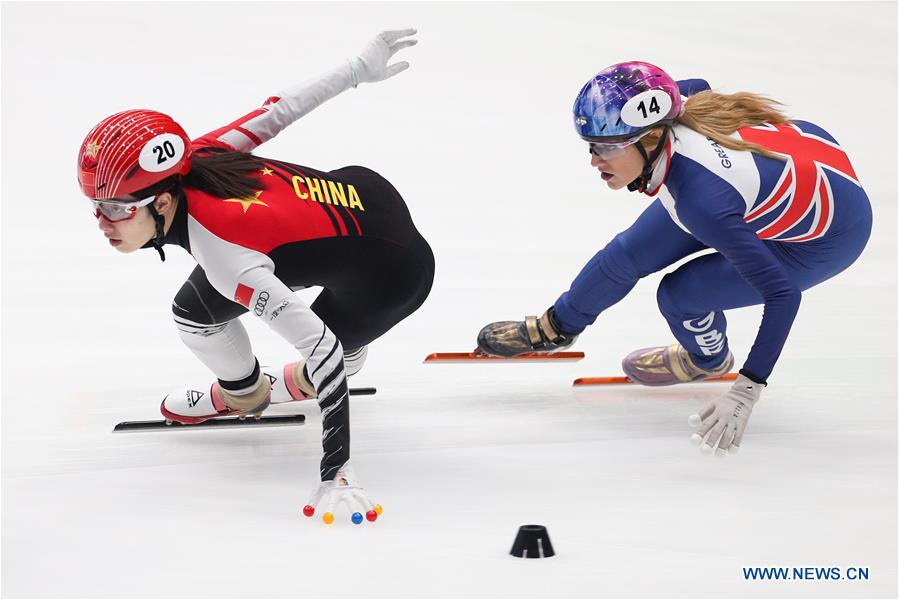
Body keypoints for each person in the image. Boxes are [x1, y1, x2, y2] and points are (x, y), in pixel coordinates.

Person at [77, 29, 434, 523]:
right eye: (95, 207)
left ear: (161, 202)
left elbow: (321, 345)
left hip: (393, 274)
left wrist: (337, 470)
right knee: (193, 314)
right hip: (361, 194)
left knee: (328, 366)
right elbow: (280, 108)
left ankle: (314, 371)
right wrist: (356, 68)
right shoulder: (195, 157)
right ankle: (245, 392)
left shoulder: (226, 257)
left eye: (115, 208)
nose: (101, 221)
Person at [477, 62, 871, 456]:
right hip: (781, 177)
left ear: (650, 140)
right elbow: (698, 85)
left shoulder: (704, 203)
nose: (595, 161)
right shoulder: (676, 107)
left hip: (823, 239)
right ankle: (556, 327)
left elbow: (783, 296)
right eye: (592, 146)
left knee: (680, 295)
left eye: (609, 147)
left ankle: (708, 358)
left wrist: (748, 388)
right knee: (627, 254)